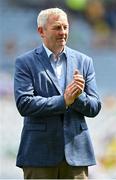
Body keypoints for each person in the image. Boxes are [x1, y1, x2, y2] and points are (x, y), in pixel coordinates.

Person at [14, 8, 101, 179]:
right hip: (39, 156)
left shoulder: (84, 61)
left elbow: (95, 107)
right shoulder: (25, 62)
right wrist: (64, 100)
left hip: (77, 157)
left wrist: (77, 97)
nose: (63, 32)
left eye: (65, 27)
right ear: (41, 31)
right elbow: (24, 104)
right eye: (57, 27)